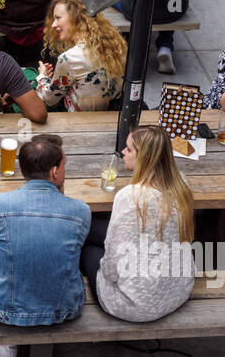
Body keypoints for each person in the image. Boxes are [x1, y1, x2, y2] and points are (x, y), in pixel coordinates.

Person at [0, 134, 89, 357]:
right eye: (63, 166)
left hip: (7, 308)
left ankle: (10, 341)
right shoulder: (81, 210)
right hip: (63, 309)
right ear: (54, 172)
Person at [82, 124, 196, 323]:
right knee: (93, 227)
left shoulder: (129, 197)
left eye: (129, 149)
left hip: (136, 306)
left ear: (144, 157)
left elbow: (112, 264)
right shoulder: (182, 184)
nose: (123, 152)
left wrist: (107, 276)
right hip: (179, 290)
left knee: (88, 250)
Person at [36, 0, 127, 111]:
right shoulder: (114, 45)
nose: (53, 25)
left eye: (58, 18)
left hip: (78, 122)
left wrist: (42, 76)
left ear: (75, 18)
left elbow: (50, 99)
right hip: (111, 111)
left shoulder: (69, 58)